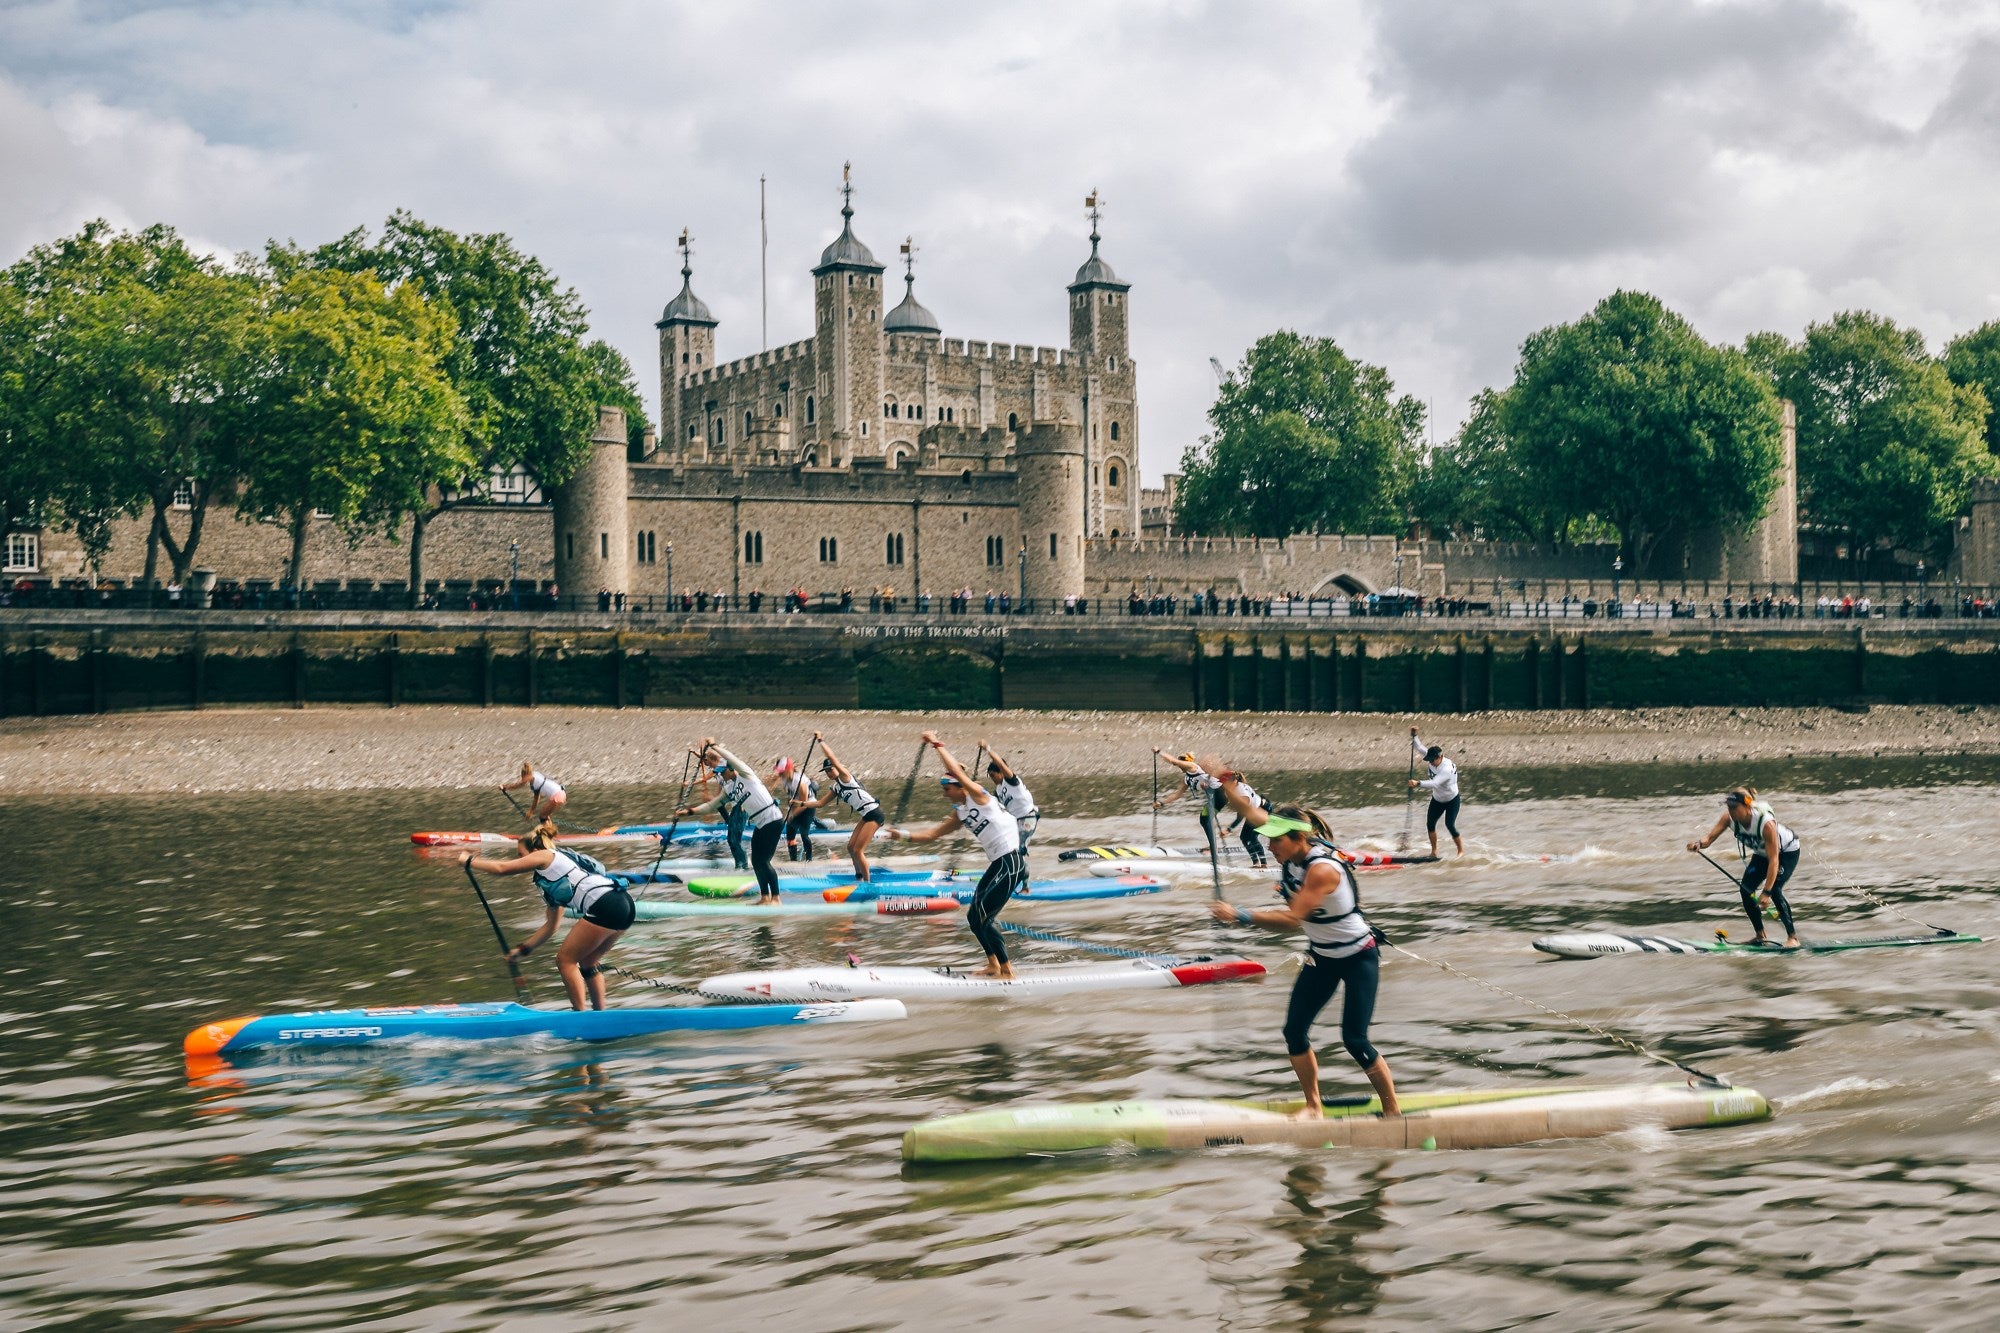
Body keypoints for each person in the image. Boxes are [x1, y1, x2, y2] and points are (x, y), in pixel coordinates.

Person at [1206, 802, 1399, 1120]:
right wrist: (1223, 783)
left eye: (1276, 840)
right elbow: (1251, 811)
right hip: (1322, 957)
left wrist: (1239, 914)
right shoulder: (1292, 857)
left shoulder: (1321, 869)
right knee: (1293, 1032)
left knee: (1354, 1039)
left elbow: (1294, 918)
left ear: (1298, 838)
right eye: (1267, 840)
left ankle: (1393, 1112)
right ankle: (1313, 1107)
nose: (1269, 847)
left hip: (1358, 956)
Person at [884, 732, 1026, 978]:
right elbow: (931, 835)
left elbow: (956, 771)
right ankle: (993, 965)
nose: (944, 794)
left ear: (960, 787)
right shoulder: (961, 813)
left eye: (947, 789)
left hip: (1010, 861)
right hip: (998, 864)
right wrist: (902, 836)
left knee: (984, 917)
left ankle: (1007, 970)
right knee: (974, 917)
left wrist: (936, 744)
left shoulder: (979, 797)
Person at [459, 820, 634, 1011]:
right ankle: (600, 1016)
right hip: (623, 904)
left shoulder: (546, 855)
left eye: (520, 854)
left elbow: (503, 868)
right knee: (588, 961)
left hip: (606, 903)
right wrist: (523, 950)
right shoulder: (550, 883)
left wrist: (469, 861)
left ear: (534, 849)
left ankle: (580, 1015)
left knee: (565, 960)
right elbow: (551, 926)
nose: (519, 859)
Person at [1688, 785, 1802, 949]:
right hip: (1762, 854)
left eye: (1734, 808)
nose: (1731, 811)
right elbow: (1709, 838)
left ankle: (1792, 938)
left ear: (1747, 806)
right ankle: (1760, 936)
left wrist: (1766, 892)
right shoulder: (1728, 819)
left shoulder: (1766, 824)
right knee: (1746, 890)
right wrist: (1698, 844)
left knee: (1775, 891)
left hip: (1786, 853)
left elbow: (1774, 860)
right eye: (1729, 807)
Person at [679, 739, 786, 903]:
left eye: (723, 771)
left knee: (763, 861)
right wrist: (688, 812)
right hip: (760, 823)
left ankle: (776, 899)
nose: (721, 774)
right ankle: (765, 897)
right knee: (755, 861)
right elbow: (710, 805)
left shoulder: (746, 775)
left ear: (731, 768)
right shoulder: (729, 788)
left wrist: (714, 746)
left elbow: (732, 757)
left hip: (772, 819)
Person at [1153, 750, 1270, 867]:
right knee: (1204, 820)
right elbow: (1177, 795)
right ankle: (1214, 850)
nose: (1180, 766)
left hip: (1220, 795)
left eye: (1182, 762)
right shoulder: (1186, 779)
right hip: (1215, 795)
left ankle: (1214, 854)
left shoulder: (1193, 766)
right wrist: (1161, 803)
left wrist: (1159, 752)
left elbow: (1174, 762)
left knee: (1205, 819)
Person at [814, 733, 887, 882]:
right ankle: (858, 877)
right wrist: (799, 803)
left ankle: (867, 883)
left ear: (837, 768)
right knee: (850, 847)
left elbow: (833, 757)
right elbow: (820, 803)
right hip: (866, 816)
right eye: (826, 771)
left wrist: (821, 741)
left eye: (830, 769)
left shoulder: (845, 777)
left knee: (858, 850)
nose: (828, 772)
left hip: (874, 813)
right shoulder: (836, 787)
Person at [979, 740, 1040, 859]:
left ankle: (1022, 873)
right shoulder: (998, 791)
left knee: (1019, 848)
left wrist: (988, 749)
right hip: (1015, 822)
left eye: (993, 775)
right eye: (990, 776)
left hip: (1028, 817)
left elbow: (1001, 764)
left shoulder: (1011, 781)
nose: (992, 779)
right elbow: (987, 802)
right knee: (1006, 848)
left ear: (1001, 773)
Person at [1408, 729, 1463, 856]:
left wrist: (1418, 783)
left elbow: (1435, 783)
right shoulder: (1432, 757)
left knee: (1449, 825)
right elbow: (1419, 748)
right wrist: (1414, 736)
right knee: (1430, 824)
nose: (1430, 762)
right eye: (1429, 760)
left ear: (1440, 757)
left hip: (1451, 800)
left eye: (1432, 760)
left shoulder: (1447, 769)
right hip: (1437, 799)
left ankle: (1460, 851)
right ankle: (1434, 851)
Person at [773, 756, 818, 862]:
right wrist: (789, 809)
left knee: (804, 834)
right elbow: (791, 796)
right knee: (790, 836)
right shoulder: (784, 779)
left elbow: (804, 803)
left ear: (789, 770)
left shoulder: (800, 782)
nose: (780, 774)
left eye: (782, 771)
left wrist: (792, 815)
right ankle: (793, 861)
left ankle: (809, 860)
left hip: (808, 806)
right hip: (797, 805)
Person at [500, 762, 567, 823]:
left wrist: (505, 787)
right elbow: (536, 799)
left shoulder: (531, 775)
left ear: (524, 774)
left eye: (522, 777)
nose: (522, 779)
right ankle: (550, 832)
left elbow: (520, 784)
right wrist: (530, 812)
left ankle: (546, 833)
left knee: (542, 816)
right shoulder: (536, 782)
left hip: (557, 795)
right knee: (545, 815)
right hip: (562, 794)